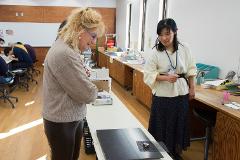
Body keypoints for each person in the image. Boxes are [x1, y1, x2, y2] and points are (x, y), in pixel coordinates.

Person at [42, 8, 105, 160]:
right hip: (62, 122)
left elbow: (77, 83)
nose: (94, 42)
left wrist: (82, 78)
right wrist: (94, 88)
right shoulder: (65, 53)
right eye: (93, 36)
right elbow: (88, 94)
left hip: (66, 119)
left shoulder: (66, 48)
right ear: (80, 29)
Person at [144, 18, 197, 159]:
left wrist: (192, 88)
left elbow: (191, 69)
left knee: (178, 123)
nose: (164, 38)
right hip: (162, 94)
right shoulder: (155, 52)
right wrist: (165, 78)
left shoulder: (185, 48)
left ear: (175, 32)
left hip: (181, 93)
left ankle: (175, 152)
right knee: (162, 124)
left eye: (167, 34)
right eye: (160, 35)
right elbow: (148, 74)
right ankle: (160, 153)